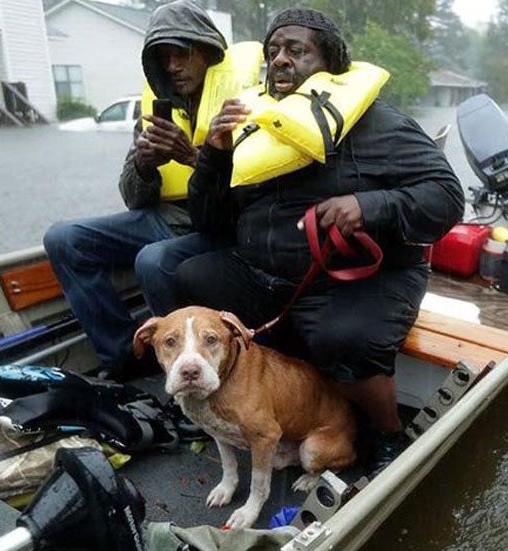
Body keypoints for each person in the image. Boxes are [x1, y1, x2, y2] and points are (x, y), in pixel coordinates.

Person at [175, 8, 465, 477]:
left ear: (330, 62)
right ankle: (237, 402)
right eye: (272, 52)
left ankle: (387, 433)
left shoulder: (378, 124)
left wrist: (369, 205)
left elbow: (448, 197)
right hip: (268, 272)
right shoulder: (257, 124)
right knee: (191, 276)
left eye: (297, 50)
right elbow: (208, 222)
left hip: (357, 276)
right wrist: (212, 154)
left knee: (344, 337)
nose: (280, 60)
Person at [44, 0, 247, 380]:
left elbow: (251, 189)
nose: (172, 67)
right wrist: (143, 164)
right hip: (164, 218)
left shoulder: (242, 99)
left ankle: (189, 373)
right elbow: (133, 197)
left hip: (219, 226)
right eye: (163, 58)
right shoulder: (156, 106)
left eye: (181, 55)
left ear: (206, 50)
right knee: (63, 239)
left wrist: (191, 156)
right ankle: (125, 357)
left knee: (152, 260)